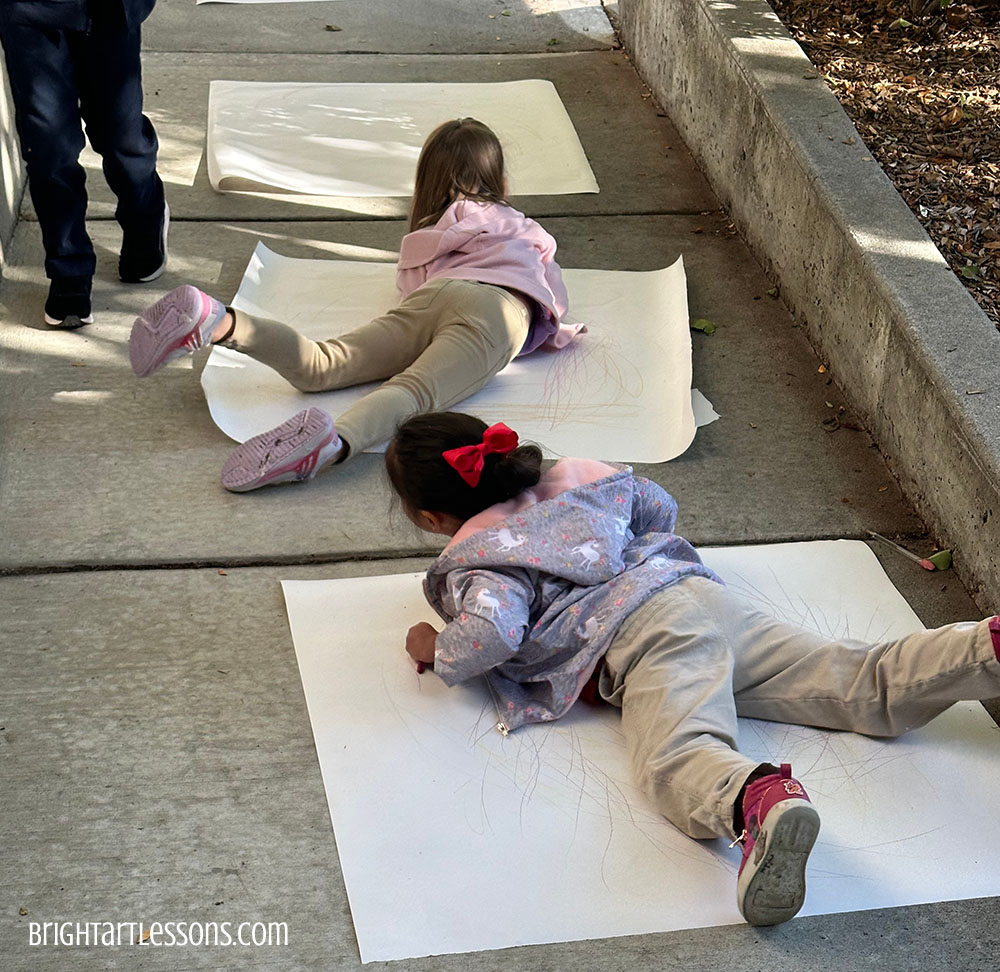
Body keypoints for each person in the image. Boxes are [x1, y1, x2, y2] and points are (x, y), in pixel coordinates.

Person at [384, 409, 1000, 926]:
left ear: (432, 520)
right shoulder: (585, 480)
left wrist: (435, 650)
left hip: (650, 640)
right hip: (700, 598)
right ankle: (982, 648)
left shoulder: (484, 560)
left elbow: (494, 632)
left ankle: (755, 797)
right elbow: (658, 507)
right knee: (857, 679)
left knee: (674, 758)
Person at [128, 117, 583, 492]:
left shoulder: (432, 230)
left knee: (326, 362)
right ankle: (334, 442)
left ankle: (221, 322)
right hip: (498, 312)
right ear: (502, 182)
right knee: (412, 391)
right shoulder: (523, 227)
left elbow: (413, 285)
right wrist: (555, 329)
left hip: (438, 295)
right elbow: (549, 292)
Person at [0, 0, 168, 328]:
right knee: (48, 146)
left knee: (120, 136)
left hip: (110, 9)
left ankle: (145, 213)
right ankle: (68, 267)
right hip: (30, 12)